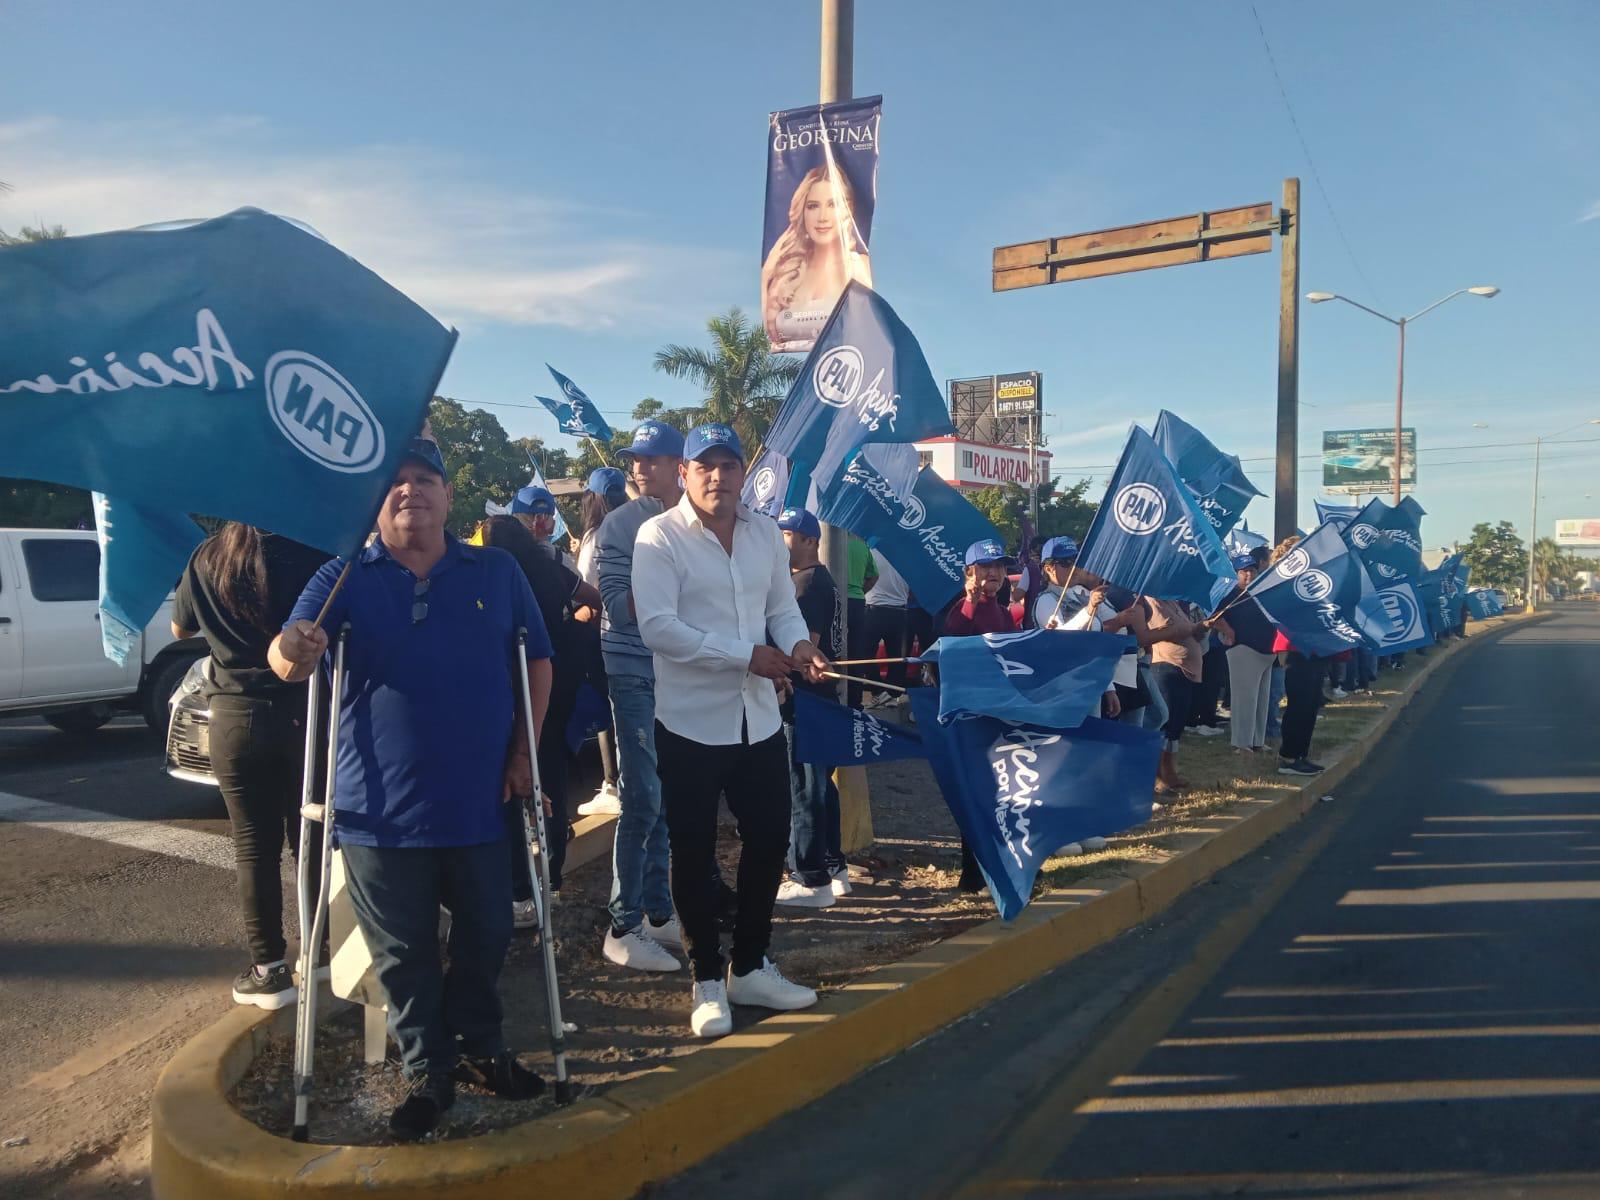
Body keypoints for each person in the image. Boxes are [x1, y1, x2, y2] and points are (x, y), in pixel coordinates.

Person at [268, 438, 552, 1140]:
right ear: (377, 500)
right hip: (377, 811)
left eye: (426, 479)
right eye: (395, 482)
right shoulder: (343, 577)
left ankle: (481, 1046)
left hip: (479, 799)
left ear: (450, 496)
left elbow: (537, 661)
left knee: (489, 932)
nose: (410, 491)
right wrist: (296, 648)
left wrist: (525, 751)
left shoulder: (497, 568)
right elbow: (286, 657)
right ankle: (431, 1070)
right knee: (404, 954)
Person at [633, 423, 832, 1037]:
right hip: (690, 722)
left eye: (729, 465)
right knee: (692, 852)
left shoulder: (764, 532)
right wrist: (744, 656)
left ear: (745, 472)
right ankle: (707, 978)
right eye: (705, 466)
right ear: (685, 473)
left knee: (770, 838)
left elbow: (780, 606)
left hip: (759, 719)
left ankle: (749, 962)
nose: (718, 477)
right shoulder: (658, 536)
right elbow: (658, 628)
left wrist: (799, 643)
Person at [171, 524, 329, 1009]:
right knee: (311, 839)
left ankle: (268, 971)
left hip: (234, 717)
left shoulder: (207, 555)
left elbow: (181, 629)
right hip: (308, 713)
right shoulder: (314, 550)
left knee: (252, 848)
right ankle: (319, 951)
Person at [595, 421, 692, 972]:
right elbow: (616, 602)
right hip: (631, 667)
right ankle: (623, 922)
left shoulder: (695, 522)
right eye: (635, 458)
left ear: (679, 465)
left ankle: (657, 910)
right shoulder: (619, 525)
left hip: (678, 669)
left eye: (651, 459)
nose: (638, 467)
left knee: (667, 792)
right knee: (642, 796)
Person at [477, 515, 601, 914]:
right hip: (559, 680)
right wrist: (580, 620)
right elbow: (594, 597)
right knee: (551, 767)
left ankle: (520, 887)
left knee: (514, 779)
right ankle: (552, 872)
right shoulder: (552, 567)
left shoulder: (494, 577)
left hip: (518, 684)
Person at [774, 507, 848, 909]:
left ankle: (808, 876)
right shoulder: (823, 580)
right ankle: (835, 866)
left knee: (803, 787)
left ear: (808, 540)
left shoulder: (806, 583)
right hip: (822, 699)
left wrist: (782, 673)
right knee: (822, 787)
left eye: (787, 534)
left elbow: (807, 644)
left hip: (805, 695)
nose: (780, 540)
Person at [761, 165, 873, 352]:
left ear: (848, 209)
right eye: (813, 206)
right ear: (802, 211)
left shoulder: (856, 267)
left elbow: (866, 330)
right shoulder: (788, 276)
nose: (822, 217)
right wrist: (766, 274)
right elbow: (770, 337)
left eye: (833, 205)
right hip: (800, 371)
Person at [574, 467, 629, 817]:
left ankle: (614, 783)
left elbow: (586, 590)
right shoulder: (638, 528)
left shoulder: (598, 534)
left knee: (613, 711)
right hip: (639, 636)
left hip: (606, 635)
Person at [1266, 536, 1328, 777]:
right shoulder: (1283, 582)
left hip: (1316, 646)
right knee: (1299, 702)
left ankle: (1301, 754)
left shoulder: (1312, 579)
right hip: (1294, 647)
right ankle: (1289, 756)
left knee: (1311, 702)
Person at [1213, 553, 1277, 754]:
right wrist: (1227, 629)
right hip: (1243, 650)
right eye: (1244, 572)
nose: (1248, 575)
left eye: (1252, 571)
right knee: (1244, 700)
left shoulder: (1263, 592)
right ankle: (1241, 743)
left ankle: (1257, 740)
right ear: (1236, 574)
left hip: (1267, 651)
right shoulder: (1229, 595)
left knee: (1261, 700)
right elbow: (1213, 615)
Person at [1144, 597, 1209, 793]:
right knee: (1162, 723)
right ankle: (1155, 776)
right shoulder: (1151, 602)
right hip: (1165, 666)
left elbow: (1187, 631)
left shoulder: (1173, 603)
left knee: (1176, 726)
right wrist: (1189, 629)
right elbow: (1166, 631)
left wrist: (1202, 627)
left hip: (1185, 670)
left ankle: (1170, 771)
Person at [863, 547, 911, 700]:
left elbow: (864, 578)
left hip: (874, 608)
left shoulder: (871, 552)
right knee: (898, 658)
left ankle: (879, 692)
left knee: (865, 653)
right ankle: (892, 695)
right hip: (899, 610)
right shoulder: (908, 556)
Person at [944, 539, 1016, 636]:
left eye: (999, 566)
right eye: (986, 566)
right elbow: (955, 640)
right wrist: (971, 601)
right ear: (969, 572)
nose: (993, 573)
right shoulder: (962, 608)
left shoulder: (1004, 613)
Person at [843, 534, 878, 706]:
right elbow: (874, 576)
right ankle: (855, 702)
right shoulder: (862, 546)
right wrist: (860, 591)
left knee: (833, 650)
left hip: (837, 599)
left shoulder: (829, 541)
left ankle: (836, 698)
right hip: (857, 602)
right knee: (856, 653)